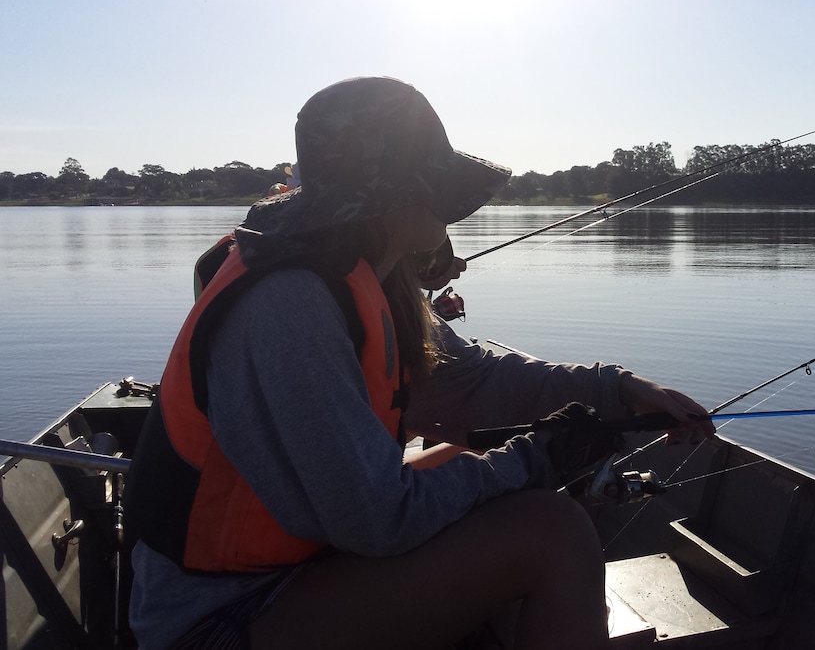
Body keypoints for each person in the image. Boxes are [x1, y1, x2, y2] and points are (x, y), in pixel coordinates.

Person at [124, 76, 712, 650]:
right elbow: (379, 520)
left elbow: (474, 384)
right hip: (221, 616)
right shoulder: (290, 306)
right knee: (552, 532)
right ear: (385, 198)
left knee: (480, 461)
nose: (451, 204)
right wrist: (539, 459)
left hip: (305, 570)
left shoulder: (371, 280)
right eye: (433, 180)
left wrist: (621, 390)